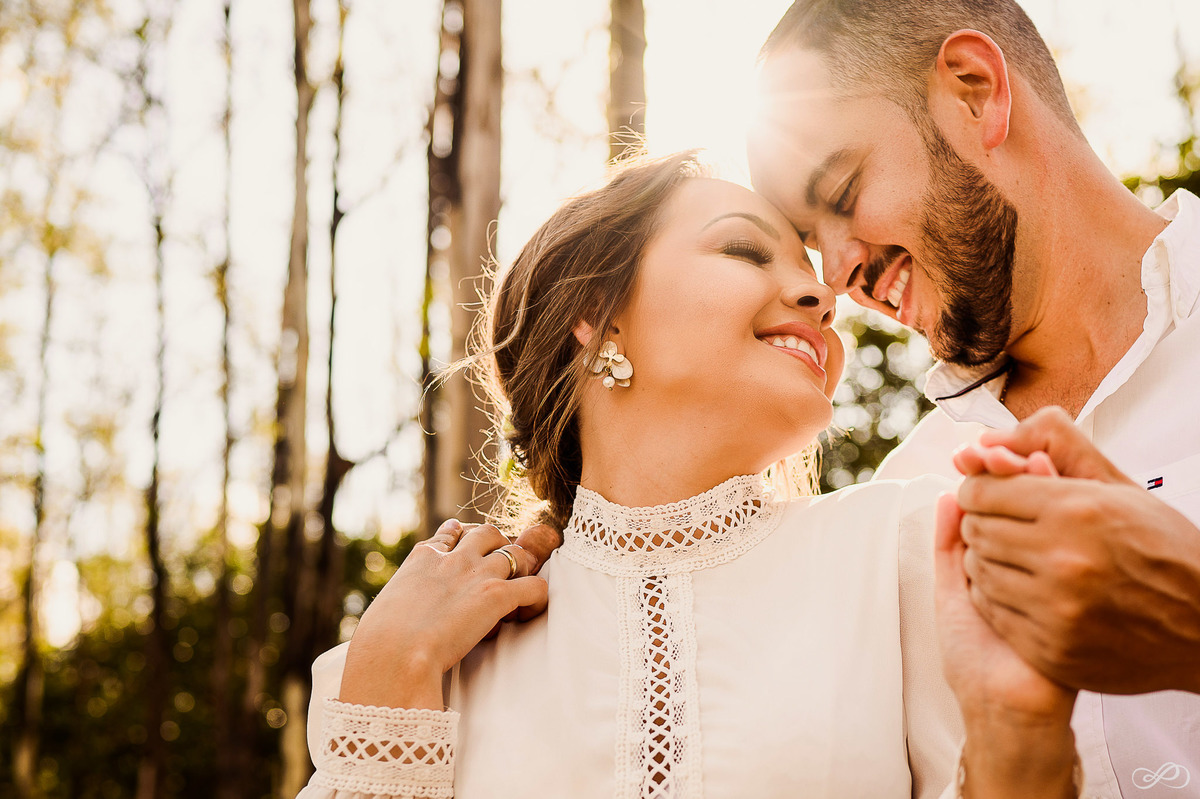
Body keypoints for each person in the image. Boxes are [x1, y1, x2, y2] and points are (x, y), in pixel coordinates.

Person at [297, 153, 1083, 798]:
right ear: (595, 310)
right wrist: (385, 686)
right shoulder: (418, 659)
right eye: (745, 250)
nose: (822, 296)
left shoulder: (911, 552)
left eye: (820, 290)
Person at [747, 1, 1200, 796]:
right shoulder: (899, 509)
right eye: (813, 240)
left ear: (975, 90)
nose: (835, 276)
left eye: (844, 191)